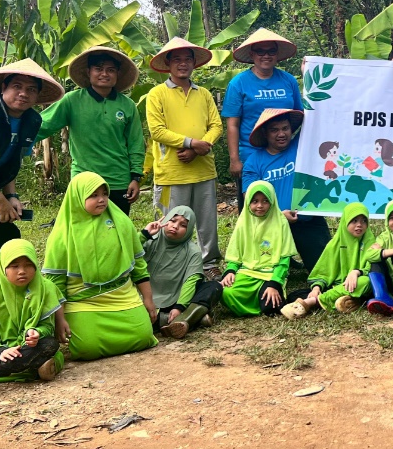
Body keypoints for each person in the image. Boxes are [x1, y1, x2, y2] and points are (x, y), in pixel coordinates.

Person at [42, 172, 157, 360]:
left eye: (105, 194)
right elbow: (55, 284)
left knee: (144, 336)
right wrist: (59, 319)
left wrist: (148, 298)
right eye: (94, 195)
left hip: (122, 295)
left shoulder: (121, 223)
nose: (102, 200)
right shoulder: (61, 235)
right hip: (83, 301)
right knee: (87, 348)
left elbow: (138, 265)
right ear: (78, 197)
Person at [146, 37, 223, 277]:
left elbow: (216, 125)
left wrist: (203, 146)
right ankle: (168, 267)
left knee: (206, 223)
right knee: (170, 223)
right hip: (172, 172)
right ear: (168, 64)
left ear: (194, 63)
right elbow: (157, 131)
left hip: (203, 170)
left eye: (187, 59)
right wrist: (190, 143)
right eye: (177, 59)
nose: (182, 64)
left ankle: (209, 265)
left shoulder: (204, 94)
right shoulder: (157, 94)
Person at [37, 46, 144, 214]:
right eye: (98, 69)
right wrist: (13, 133)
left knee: (116, 231)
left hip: (119, 180)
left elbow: (136, 143)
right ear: (88, 72)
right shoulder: (72, 100)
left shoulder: (127, 105)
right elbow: (42, 125)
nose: (104, 74)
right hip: (84, 179)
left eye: (110, 70)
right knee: (84, 231)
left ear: (117, 74)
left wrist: (136, 177)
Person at [0, 59, 64, 285]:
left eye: (31, 90)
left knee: (7, 238)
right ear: (3, 89)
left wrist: (11, 196)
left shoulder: (31, 121)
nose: (23, 94)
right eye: (17, 87)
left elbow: (12, 161)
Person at [242, 108, 331, 272]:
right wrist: (277, 215)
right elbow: (249, 198)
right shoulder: (253, 162)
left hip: (308, 220)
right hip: (271, 224)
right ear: (265, 133)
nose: (281, 134)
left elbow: (322, 120)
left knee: (325, 270)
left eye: (285, 128)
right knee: (263, 271)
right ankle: (282, 260)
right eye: (274, 130)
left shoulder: (301, 145)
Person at [223, 29, 302, 212]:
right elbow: (232, 124)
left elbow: (300, 116)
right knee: (255, 205)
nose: (266, 56)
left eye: (271, 51)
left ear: (277, 54)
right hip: (252, 153)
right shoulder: (238, 83)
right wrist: (235, 159)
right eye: (260, 51)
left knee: (285, 201)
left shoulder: (288, 81)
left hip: (285, 153)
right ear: (252, 54)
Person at [0, 239, 64, 382]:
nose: (22, 271)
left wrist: (35, 332)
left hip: (29, 348)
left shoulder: (44, 288)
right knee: (42, 357)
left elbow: (48, 327)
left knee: (49, 344)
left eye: (28, 265)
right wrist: (1, 351)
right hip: (2, 351)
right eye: (14, 266)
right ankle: (34, 367)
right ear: (3, 268)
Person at [141, 206, 223, 338]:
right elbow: (127, 256)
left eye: (183, 225)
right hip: (146, 298)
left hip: (176, 300)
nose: (175, 226)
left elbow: (191, 280)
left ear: (189, 230)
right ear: (165, 220)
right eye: (172, 221)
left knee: (214, 287)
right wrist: (143, 235)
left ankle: (180, 319)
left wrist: (179, 307)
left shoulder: (193, 251)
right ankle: (193, 319)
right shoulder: (151, 241)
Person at [281, 202, 374, 317]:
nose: (359, 225)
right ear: (345, 221)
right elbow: (323, 271)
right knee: (294, 295)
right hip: (337, 286)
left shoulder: (371, 243)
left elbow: (374, 269)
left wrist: (356, 272)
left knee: (366, 281)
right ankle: (349, 301)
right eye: (354, 221)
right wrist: (316, 288)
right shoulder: (334, 244)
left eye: (364, 221)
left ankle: (313, 302)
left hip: (359, 284)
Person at [220, 182, 296, 317]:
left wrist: (274, 283)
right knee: (225, 292)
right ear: (248, 202)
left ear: (272, 201)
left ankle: (261, 300)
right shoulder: (243, 223)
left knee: (270, 307)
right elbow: (236, 254)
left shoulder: (280, 222)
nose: (260, 206)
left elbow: (285, 258)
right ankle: (254, 304)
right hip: (247, 273)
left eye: (265, 201)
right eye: (255, 201)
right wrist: (230, 271)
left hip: (270, 274)